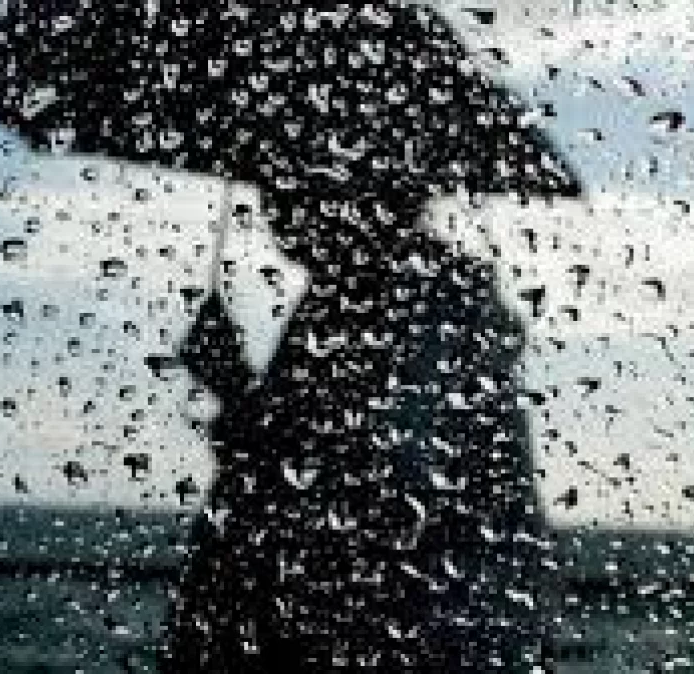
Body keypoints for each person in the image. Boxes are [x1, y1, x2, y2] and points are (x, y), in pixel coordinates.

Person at [161, 4, 578, 672]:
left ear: (358, 175)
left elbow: (367, 502)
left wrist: (235, 392)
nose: (271, 204)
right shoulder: (355, 299)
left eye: (289, 174)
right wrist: (237, 395)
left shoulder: (423, 305)